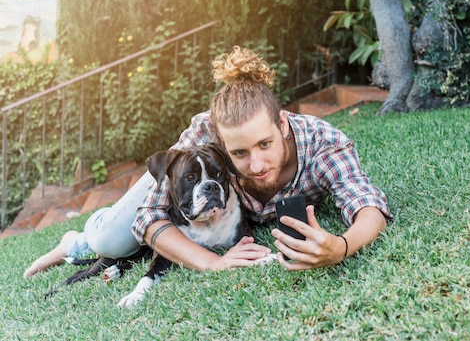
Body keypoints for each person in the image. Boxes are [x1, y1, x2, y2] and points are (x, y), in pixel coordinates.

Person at [24, 46, 392, 277]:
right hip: (184, 183)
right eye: (240, 154)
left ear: (283, 123)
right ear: (219, 141)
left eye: (265, 143)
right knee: (109, 242)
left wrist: (341, 247)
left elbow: (367, 205)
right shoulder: (203, 135)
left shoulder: (324, 143)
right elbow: (149, 217)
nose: (257, 164)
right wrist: (213, 262)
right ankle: (74, 241)